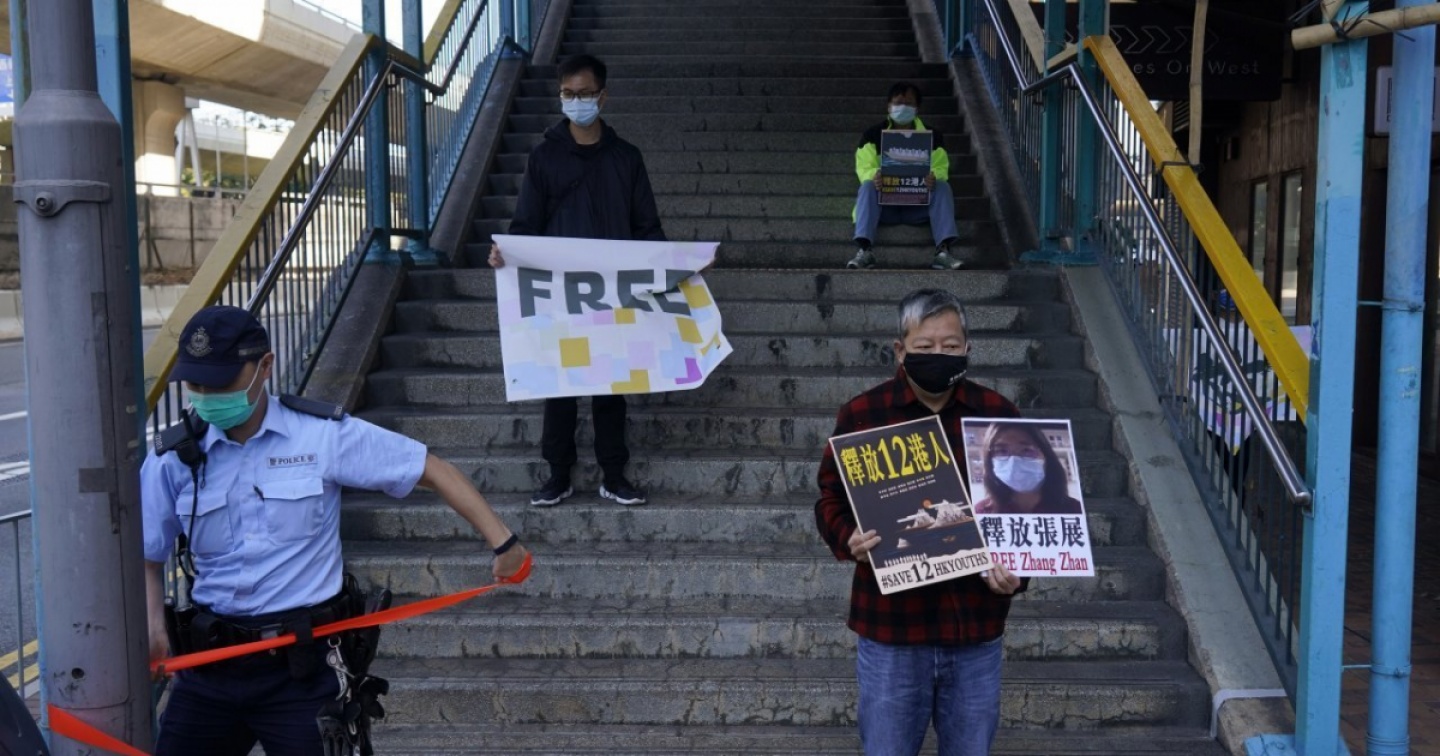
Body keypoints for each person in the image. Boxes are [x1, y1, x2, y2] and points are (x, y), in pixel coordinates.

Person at [142, 306, 529, 756]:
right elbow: (147, 550)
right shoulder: (174, 458)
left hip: (302, 672)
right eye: (196, 385)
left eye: (221, 382)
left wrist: (505, 543)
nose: (208, 396)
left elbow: (431, 468)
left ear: (265, 366)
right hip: (210, 670)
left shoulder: (320, 437)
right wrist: (152, 623)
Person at [815, 289, 1026, 756]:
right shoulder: (863, 415)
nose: (938, 355)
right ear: (900, 350)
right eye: (925, 347)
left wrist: (1018, 570)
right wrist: (847, 537)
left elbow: (1024, 510)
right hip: (892, 630)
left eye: (950, 346)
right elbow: (830, 497)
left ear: (967, 348)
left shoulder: (997, 415)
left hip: (975, 628)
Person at [488, 53, 663, 508]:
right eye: (568, 94)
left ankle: (614, 475)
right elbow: (525, 225)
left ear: (602, 97)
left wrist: (679, 266)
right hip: (558, 292)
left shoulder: (626, 159)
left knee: (612, 383)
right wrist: (506, 253)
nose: (576, 101)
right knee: (559, 384)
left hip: (613, 292)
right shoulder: (544, 157)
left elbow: (647, 227)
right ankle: (558, 475)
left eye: (584, 94)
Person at [848, 82, 964, 271]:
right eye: (898, 103)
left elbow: (941, 166)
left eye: (909, 103)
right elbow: (864, 167)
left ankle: (943, 251)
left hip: (918, 205)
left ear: (917, 108)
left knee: (942, 186)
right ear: (889, 106)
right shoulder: (872, 135)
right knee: (867, 186)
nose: (903, 107)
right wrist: (874, 175)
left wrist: (933, 177)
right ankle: (865, 250)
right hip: (884, 207)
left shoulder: (933, 136)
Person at [972, 421, 1083, 515]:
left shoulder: (1074, 509)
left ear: (1046, 456)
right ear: (989, 460)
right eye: (1002, 451)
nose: (1013, 462)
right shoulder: (981, 512)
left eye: (1026, 450)